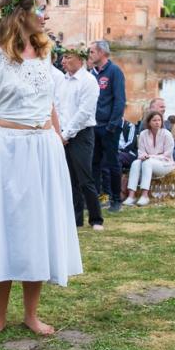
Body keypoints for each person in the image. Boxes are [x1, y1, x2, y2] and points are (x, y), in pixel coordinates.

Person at [0, 0, 82, 341]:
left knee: (35, 230)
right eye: (41, 7)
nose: (47, 13)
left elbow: (51, 103)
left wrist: (57, 138)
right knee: (4, 229)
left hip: (43, 150)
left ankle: (30, 313)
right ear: (20, 13)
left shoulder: (47, 52)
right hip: (6, 150)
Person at [58, 45, 103, 230]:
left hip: (82, 134)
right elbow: (57, 107)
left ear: (79, 59)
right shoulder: (62, 81)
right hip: (62, 133)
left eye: (67, 57)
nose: (63, 61)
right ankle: (75, 219)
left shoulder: (89, 81)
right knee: (69, 178)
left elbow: (84, 112)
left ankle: (96, 219)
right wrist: (60, 131)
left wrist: (67, 133)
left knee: (85, 178)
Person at [89, 40, 126, 213]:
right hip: (93, 126)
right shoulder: (91, 73)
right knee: (94, 163)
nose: (90, 55)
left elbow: (120, 101)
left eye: (92, 52)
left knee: (112, 163)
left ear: (102, 53)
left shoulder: (114, 71)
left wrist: (112, 125)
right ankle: (96, 199)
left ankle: (116, 200)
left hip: (109, 127)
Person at [123, 110, 175, 207]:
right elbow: (141, 152)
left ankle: (144, 195)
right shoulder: (143, 134)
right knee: (135, 163)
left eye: (159, 120)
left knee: (147, 162)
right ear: (149, 122)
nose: (157, 122)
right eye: (154, 120)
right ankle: (131, 196)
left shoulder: (167, 134)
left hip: (165, 164)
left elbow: (167, 154)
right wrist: (144, 156)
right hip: (148, 162)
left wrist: (150, 156)